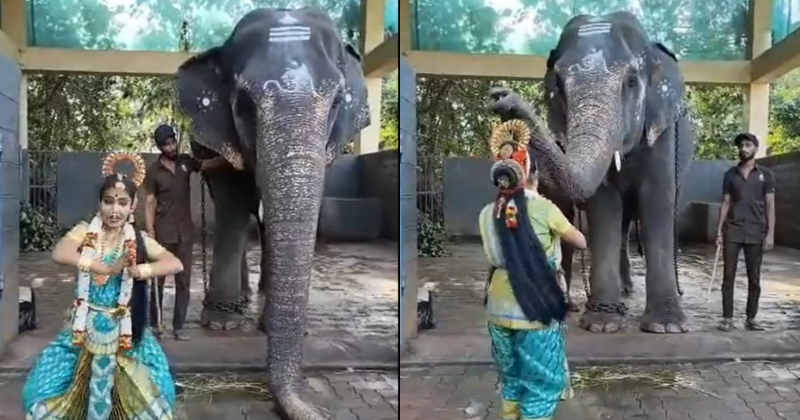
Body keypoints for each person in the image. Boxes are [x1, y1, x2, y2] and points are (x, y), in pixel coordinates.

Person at [22, 153, 184, 419]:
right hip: (82, 329)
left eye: (122, 203)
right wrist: (102, 267)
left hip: (125, 333)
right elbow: (60, 253)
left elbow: (174, 263)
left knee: (154, 391)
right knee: (43, 387)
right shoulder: (85, 231)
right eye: (108, 202)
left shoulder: (138, 240)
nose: (114, 210)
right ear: (99, 204)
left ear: (132, 207)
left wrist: (141, 270)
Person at [478, 127, 587, 420]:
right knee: (540, 383)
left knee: (512, 379)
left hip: (497, 308)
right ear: (530, 173)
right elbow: (581, 241)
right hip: (536, 306)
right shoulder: (543, 208)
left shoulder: (488, 212)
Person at [143, 124, 226, 341]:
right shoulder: (153, 172)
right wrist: (150, 229)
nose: (172, 147)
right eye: (167, 144)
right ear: (160, 147)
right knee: (157, 282)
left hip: (184, 234)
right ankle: (155, 325)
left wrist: (227, 158)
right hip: (162, 234)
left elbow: (206, 165)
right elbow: (150, 202)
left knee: (183, 281)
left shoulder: (185, 162)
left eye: (173, 142)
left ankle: (179, 327)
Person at [716, 132, 776, 332]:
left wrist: (770, 234)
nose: (744, 148)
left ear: (755, 148)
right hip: (732, 230)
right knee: (728, 275)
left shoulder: (765, 175)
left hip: (755, 231)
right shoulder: (729, 175)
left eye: (748, 145)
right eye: (741, 145)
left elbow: (770, 206)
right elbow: (725, 203)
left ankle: (751, 318)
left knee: (754, 277)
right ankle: (727, 318)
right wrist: (718, 232)